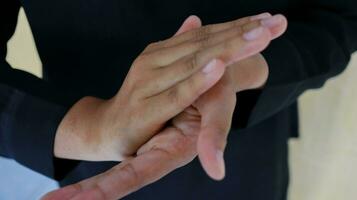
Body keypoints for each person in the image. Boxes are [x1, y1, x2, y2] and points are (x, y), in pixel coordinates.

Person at [1, 1, 356, 200]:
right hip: (95, 161)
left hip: (248, 151)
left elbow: (341, 17)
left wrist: (250, 65)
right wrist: (88, 125)